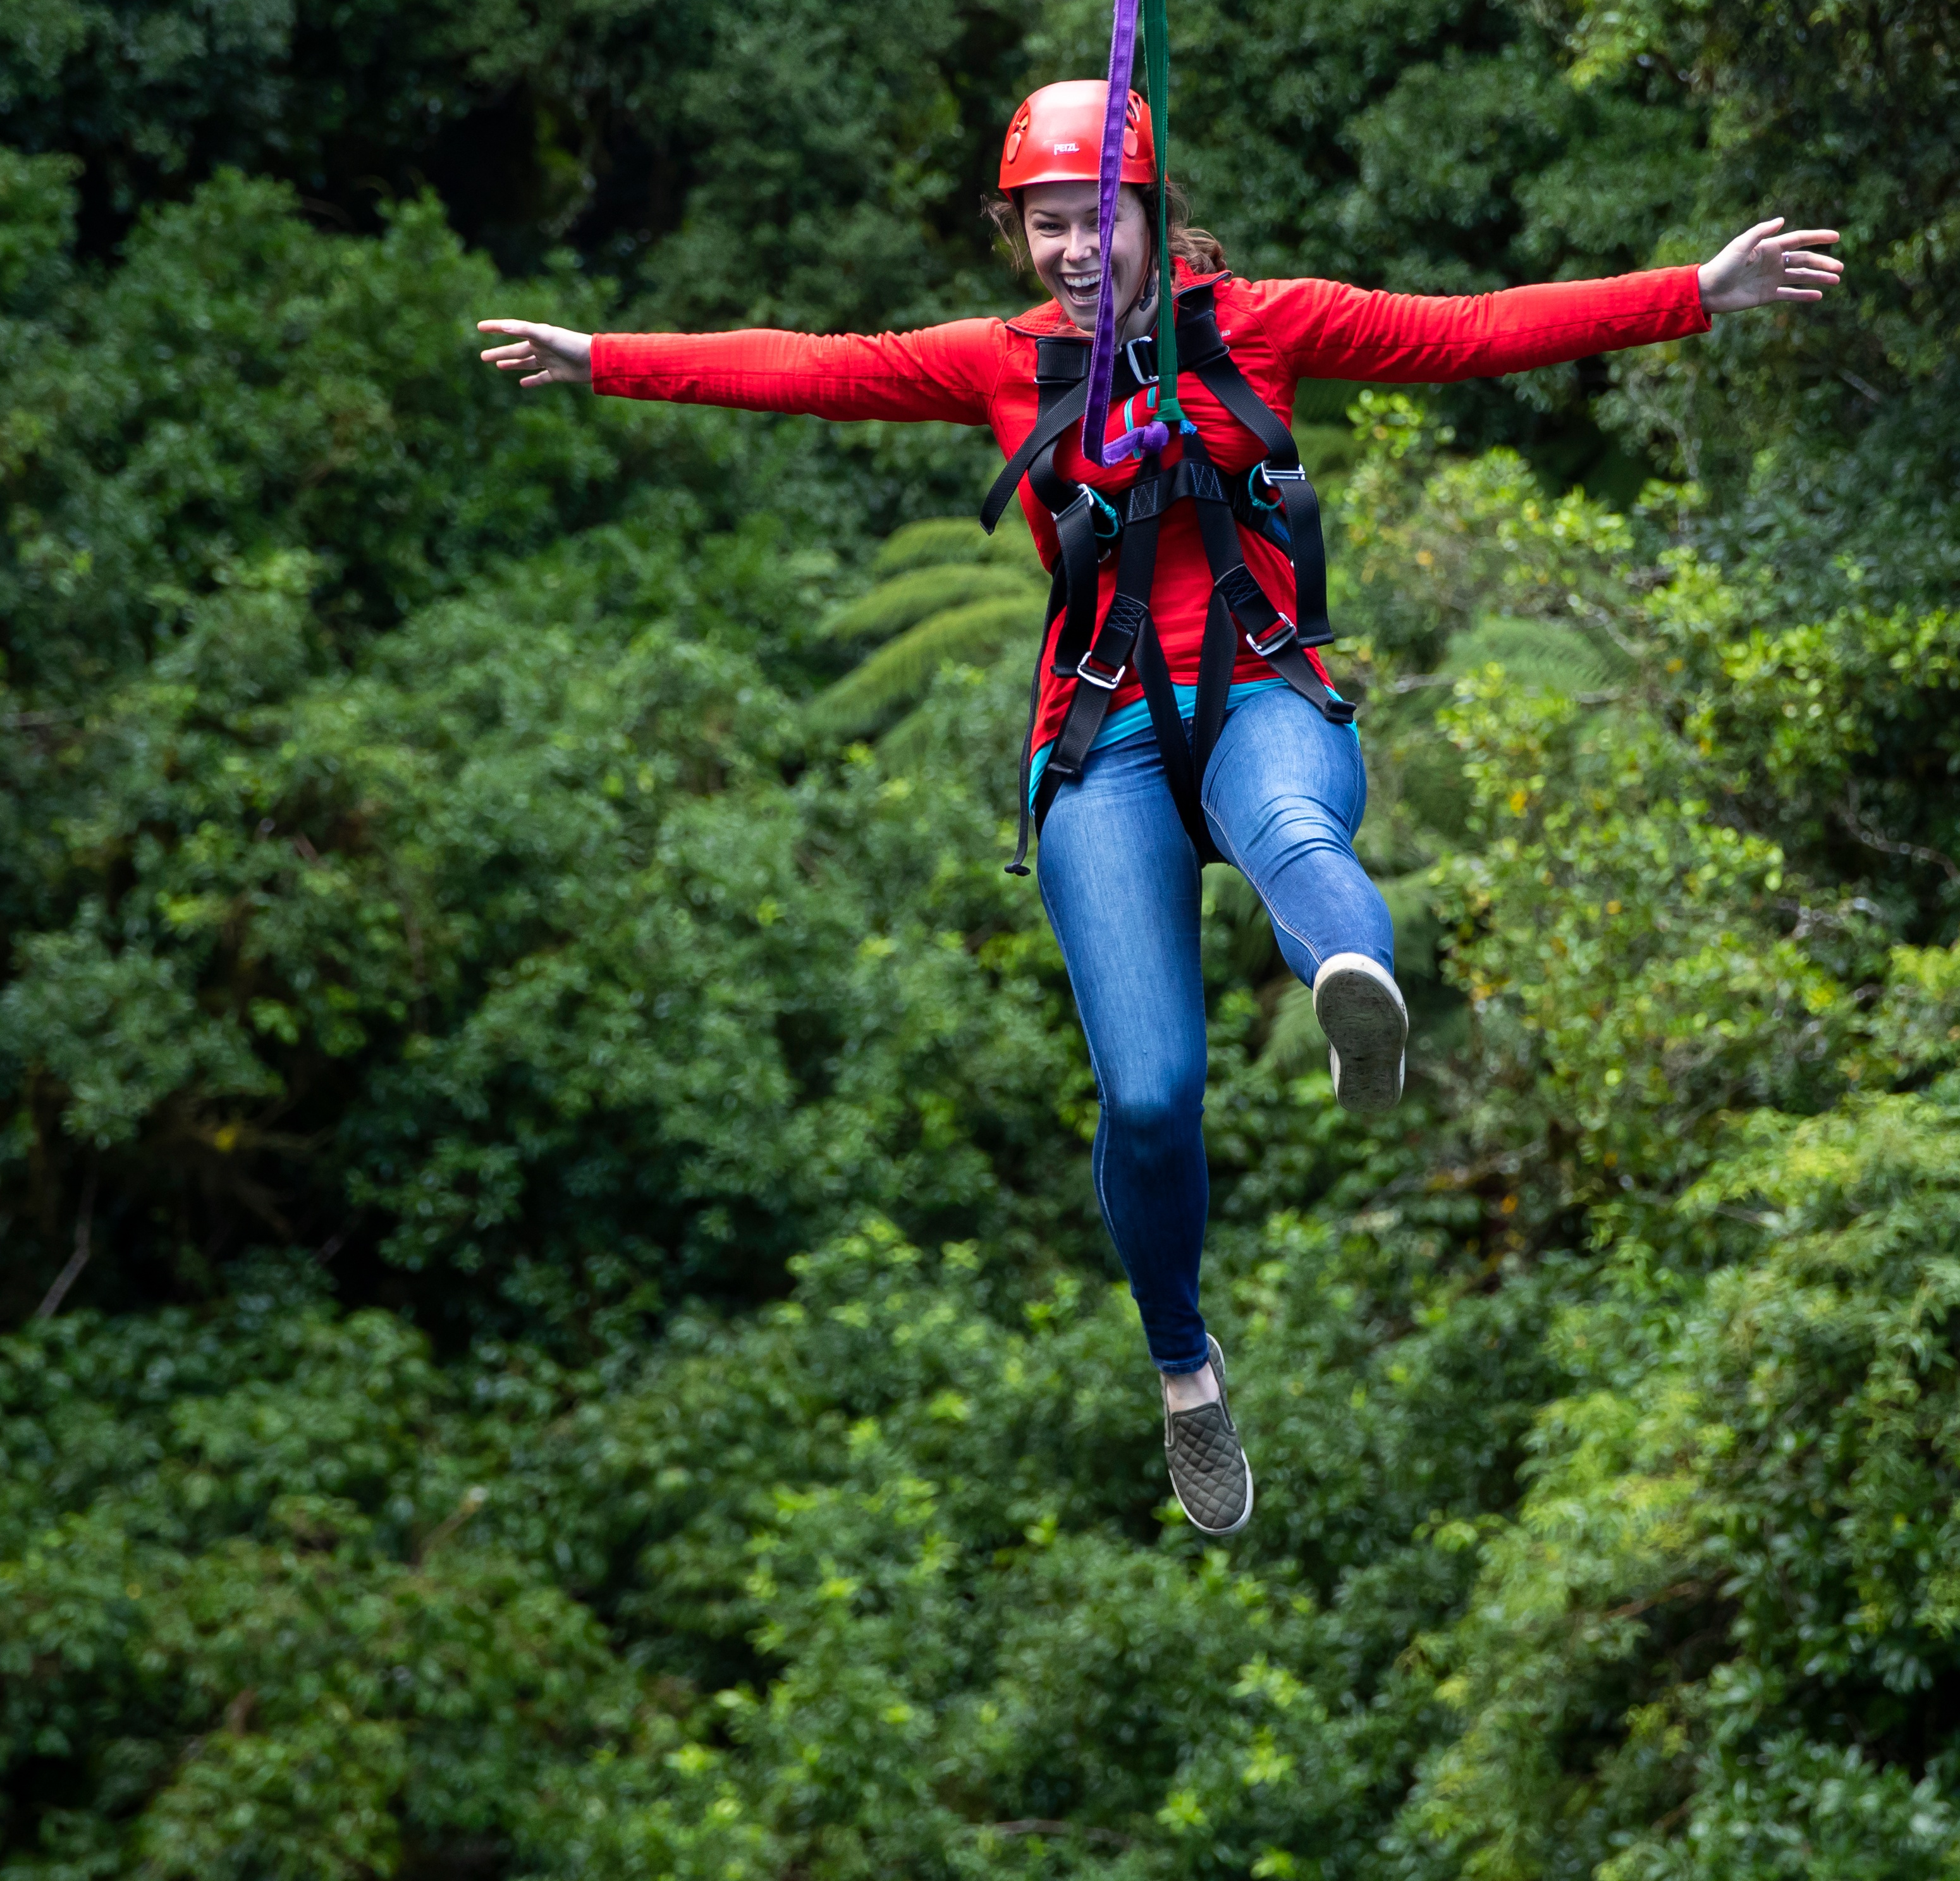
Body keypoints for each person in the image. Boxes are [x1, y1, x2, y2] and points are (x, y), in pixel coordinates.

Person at [480, 82, 1842, 1535]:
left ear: (1152, 218)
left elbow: (1473, 331)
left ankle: (1345, 983)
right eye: (1047, 225)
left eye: (1099, 220)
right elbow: (809, 367)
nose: (1074, 248)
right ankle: (1186, 1372)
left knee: (1296, 837)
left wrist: (1696, 291)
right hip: (1105, 738)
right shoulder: (999, 364)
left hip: (1261, 686)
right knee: (1147, 1094)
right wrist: (602, 358)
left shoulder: (1264, 321)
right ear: (1019, 237)